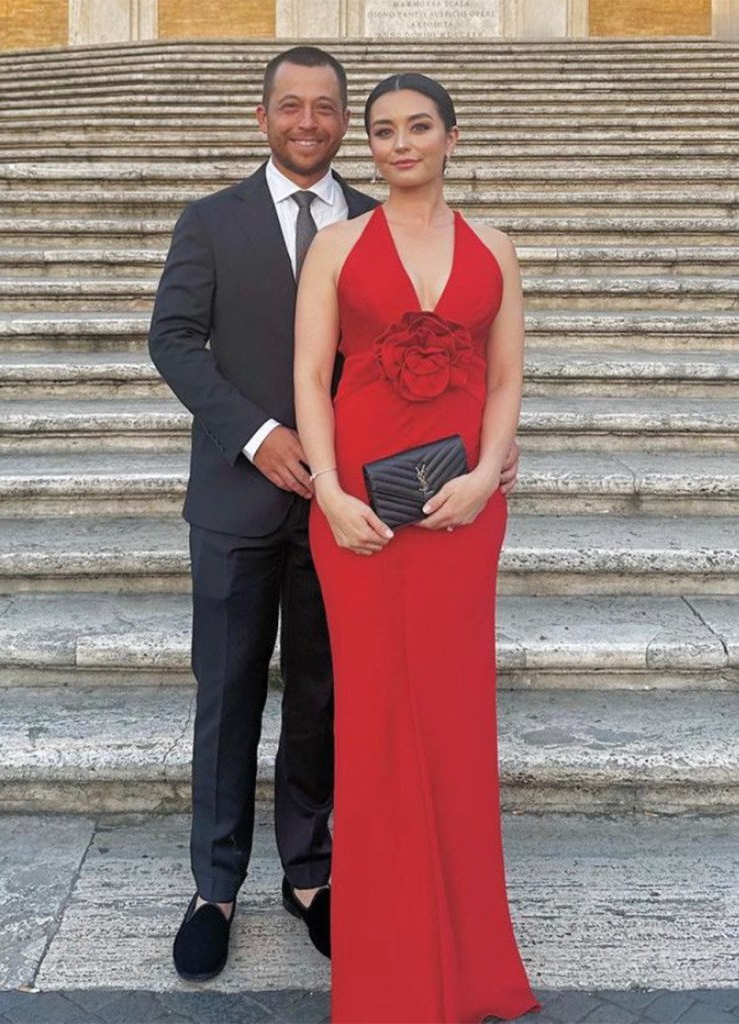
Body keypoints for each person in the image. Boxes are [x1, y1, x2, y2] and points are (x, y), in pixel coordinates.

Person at [150, 47, 520, 985]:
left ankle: (312, 876)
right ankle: (216, 887)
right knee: (229, 691)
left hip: (368, 505)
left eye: (325, 108)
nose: (307, 122)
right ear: (264, 116)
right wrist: (261, 434)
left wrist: (485, 444)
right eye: (290, 106)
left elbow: (437, 356)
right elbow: (174, 340)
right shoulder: (211, 220)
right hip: (245, 488)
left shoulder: (374, 216)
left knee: (324, 695)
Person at [294, 73, 540, 1022]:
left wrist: (484, 476)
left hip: (462, 516)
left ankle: (471, 961)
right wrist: (329, 489)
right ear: (371, 146)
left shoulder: (497, 248)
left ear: (451, 136)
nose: (401, 144)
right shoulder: (336, 246)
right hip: (357, 509)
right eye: (385, 131)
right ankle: (387, 972)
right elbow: (312, 380)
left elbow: (510, 375)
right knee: (377, 723)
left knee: (452, 719)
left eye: (418, 128)